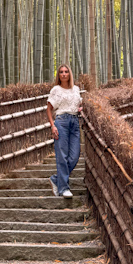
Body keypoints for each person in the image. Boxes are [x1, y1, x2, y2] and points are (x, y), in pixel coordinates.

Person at [47, 64, 82, 198]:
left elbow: (78, 104)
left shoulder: (76, 89)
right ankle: (63, 188)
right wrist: (52, 126)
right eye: (61, 72)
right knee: (62, 155)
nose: (64, 74)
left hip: (74, 122)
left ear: (70, 74)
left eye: (66, 71)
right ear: (58, 75)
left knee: (74, 156)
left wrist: (80, 109)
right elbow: (49, 109)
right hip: (61, 121)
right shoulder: (56, 89)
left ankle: (56, 179)